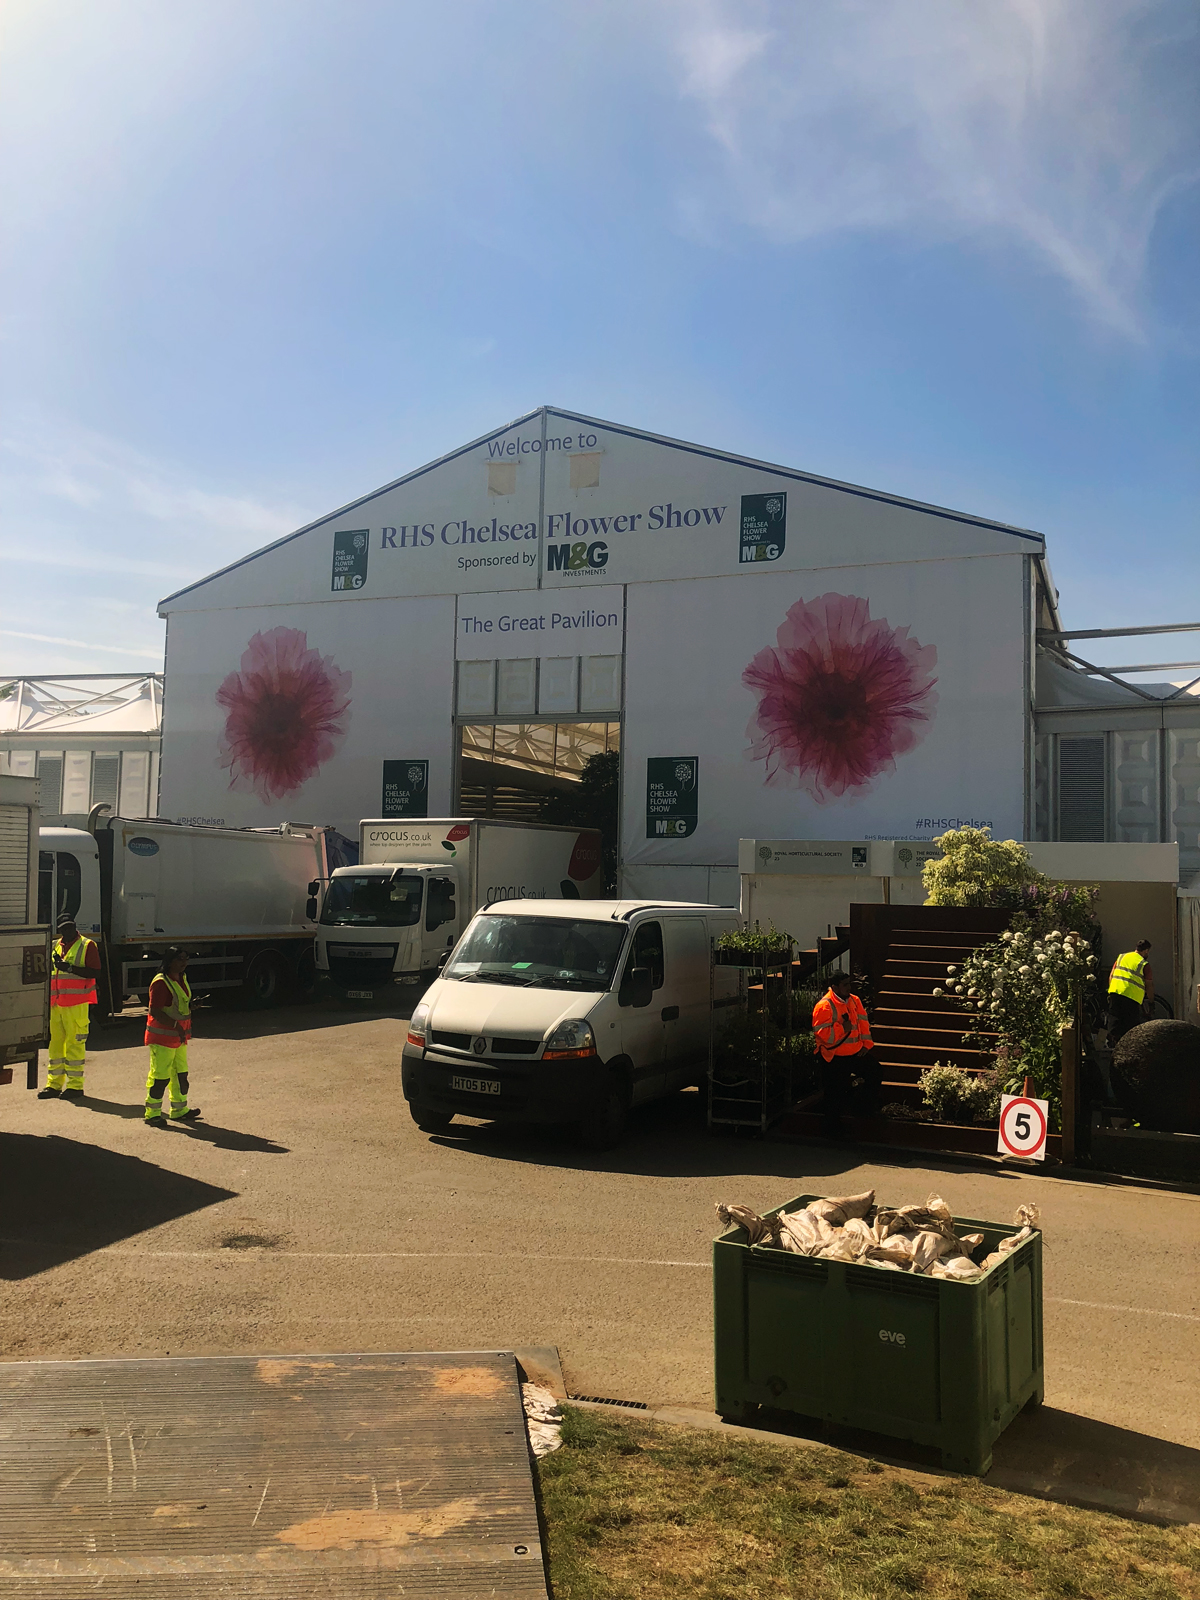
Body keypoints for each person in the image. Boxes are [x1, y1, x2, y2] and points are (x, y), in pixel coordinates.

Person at [39, 913, 101, 1099]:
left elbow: (96, 972)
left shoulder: (87, 945)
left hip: (77, 1003)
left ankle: (75, 1086)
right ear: (59, 930)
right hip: (56, 1003)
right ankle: (54, 1085)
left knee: (75, 1044)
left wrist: (70, 968)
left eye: (69, 927)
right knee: (55, 1045)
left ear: (75, 926)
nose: (67, 930)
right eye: (63, 928)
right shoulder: (55, 946)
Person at [813, 972, 880, 1134]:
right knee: (835, 1094)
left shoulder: (854, 1001)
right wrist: (843, 1028)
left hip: (856, 1053)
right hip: (834, 1057)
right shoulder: (824, 1006)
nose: (849, 988)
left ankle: (862, 1108)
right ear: (835, 987)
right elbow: (822, 1035)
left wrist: (866, 1045)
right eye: (845, 985)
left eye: (849, 984)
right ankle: (832, 1130)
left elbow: (863, 1023)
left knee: (876, 1071)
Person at [144, 947, 201, 1126]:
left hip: (179, 1037)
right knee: (160, 1076)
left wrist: (191, 1006)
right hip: (163, 1038)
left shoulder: (181, 978)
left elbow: (177, 1006)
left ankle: (179, 1110)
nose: (184, 963)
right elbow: (155, 1011)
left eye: (186, 959)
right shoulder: (161, 982)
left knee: (180, 1074)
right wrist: (176, 1026)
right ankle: (152, 1114)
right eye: (180, 959)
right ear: (170, 961)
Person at [1107, 940, 1153, 1047]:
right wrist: (1151, 1001)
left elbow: (1111, 975)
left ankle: (1113, 1042)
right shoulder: (1144, 964)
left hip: (1116, 991)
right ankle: (1128, 1047)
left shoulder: (1122, 957)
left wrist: (1111, 990)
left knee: (1114, 1018)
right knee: (1130, 1023)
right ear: (1146, 951)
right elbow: (1149, 984)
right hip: (1131, 996)